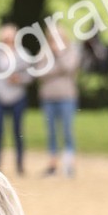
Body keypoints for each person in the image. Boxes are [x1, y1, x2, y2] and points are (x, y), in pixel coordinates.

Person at [0, 24, 29, 176]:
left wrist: (20, 79)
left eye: (10, 39)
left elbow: (30, 75)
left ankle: (20, 164)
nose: (8, 42)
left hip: (17, 97)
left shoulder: (23, 55)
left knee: (18, 131)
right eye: (5, 39)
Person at [37, 26, 80, 177]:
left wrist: (59, 55)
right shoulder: (43, 53)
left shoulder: (71, 51)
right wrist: (57, 70)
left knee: (67, 130)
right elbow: (40, 72)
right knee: (51, 132)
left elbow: (69, 67)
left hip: (67, 97)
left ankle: (69, 164)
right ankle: (53, 164)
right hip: (48, 98)